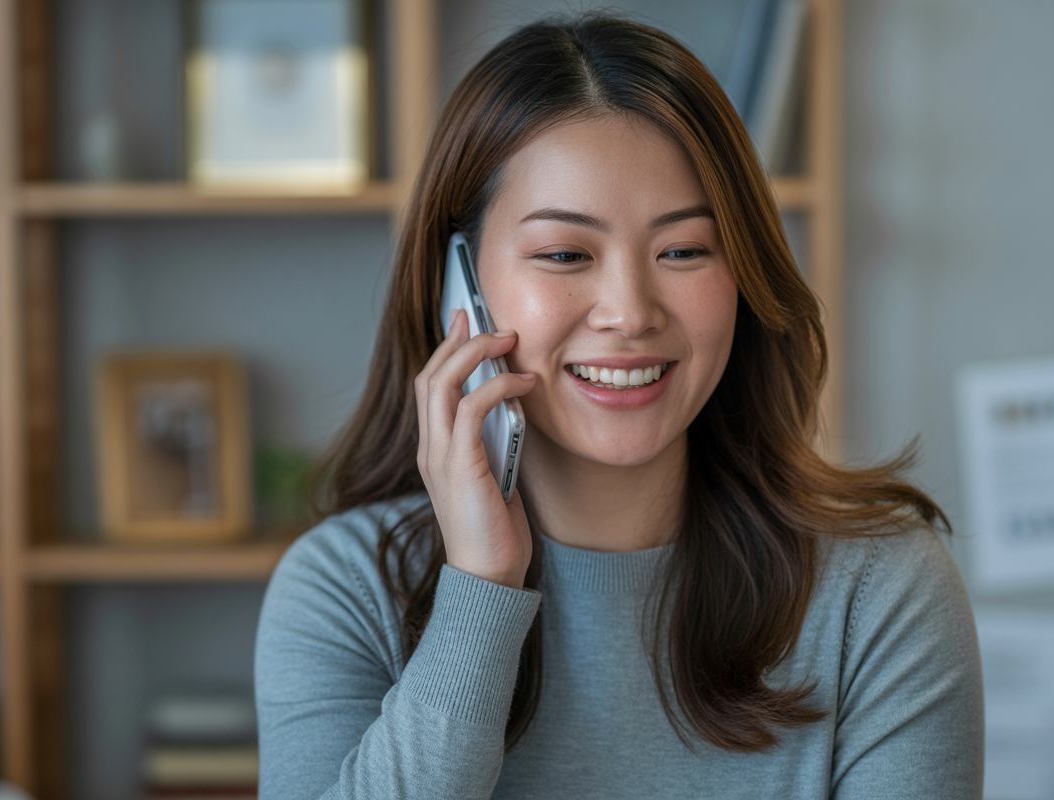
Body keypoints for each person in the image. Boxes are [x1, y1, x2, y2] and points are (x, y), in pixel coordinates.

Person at [255, 13, 983, 800]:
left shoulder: (879, 591)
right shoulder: (345, 588)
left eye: (684, 251)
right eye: (565, 254)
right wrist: (480, 591)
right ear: (457, 289)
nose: (630, 313)